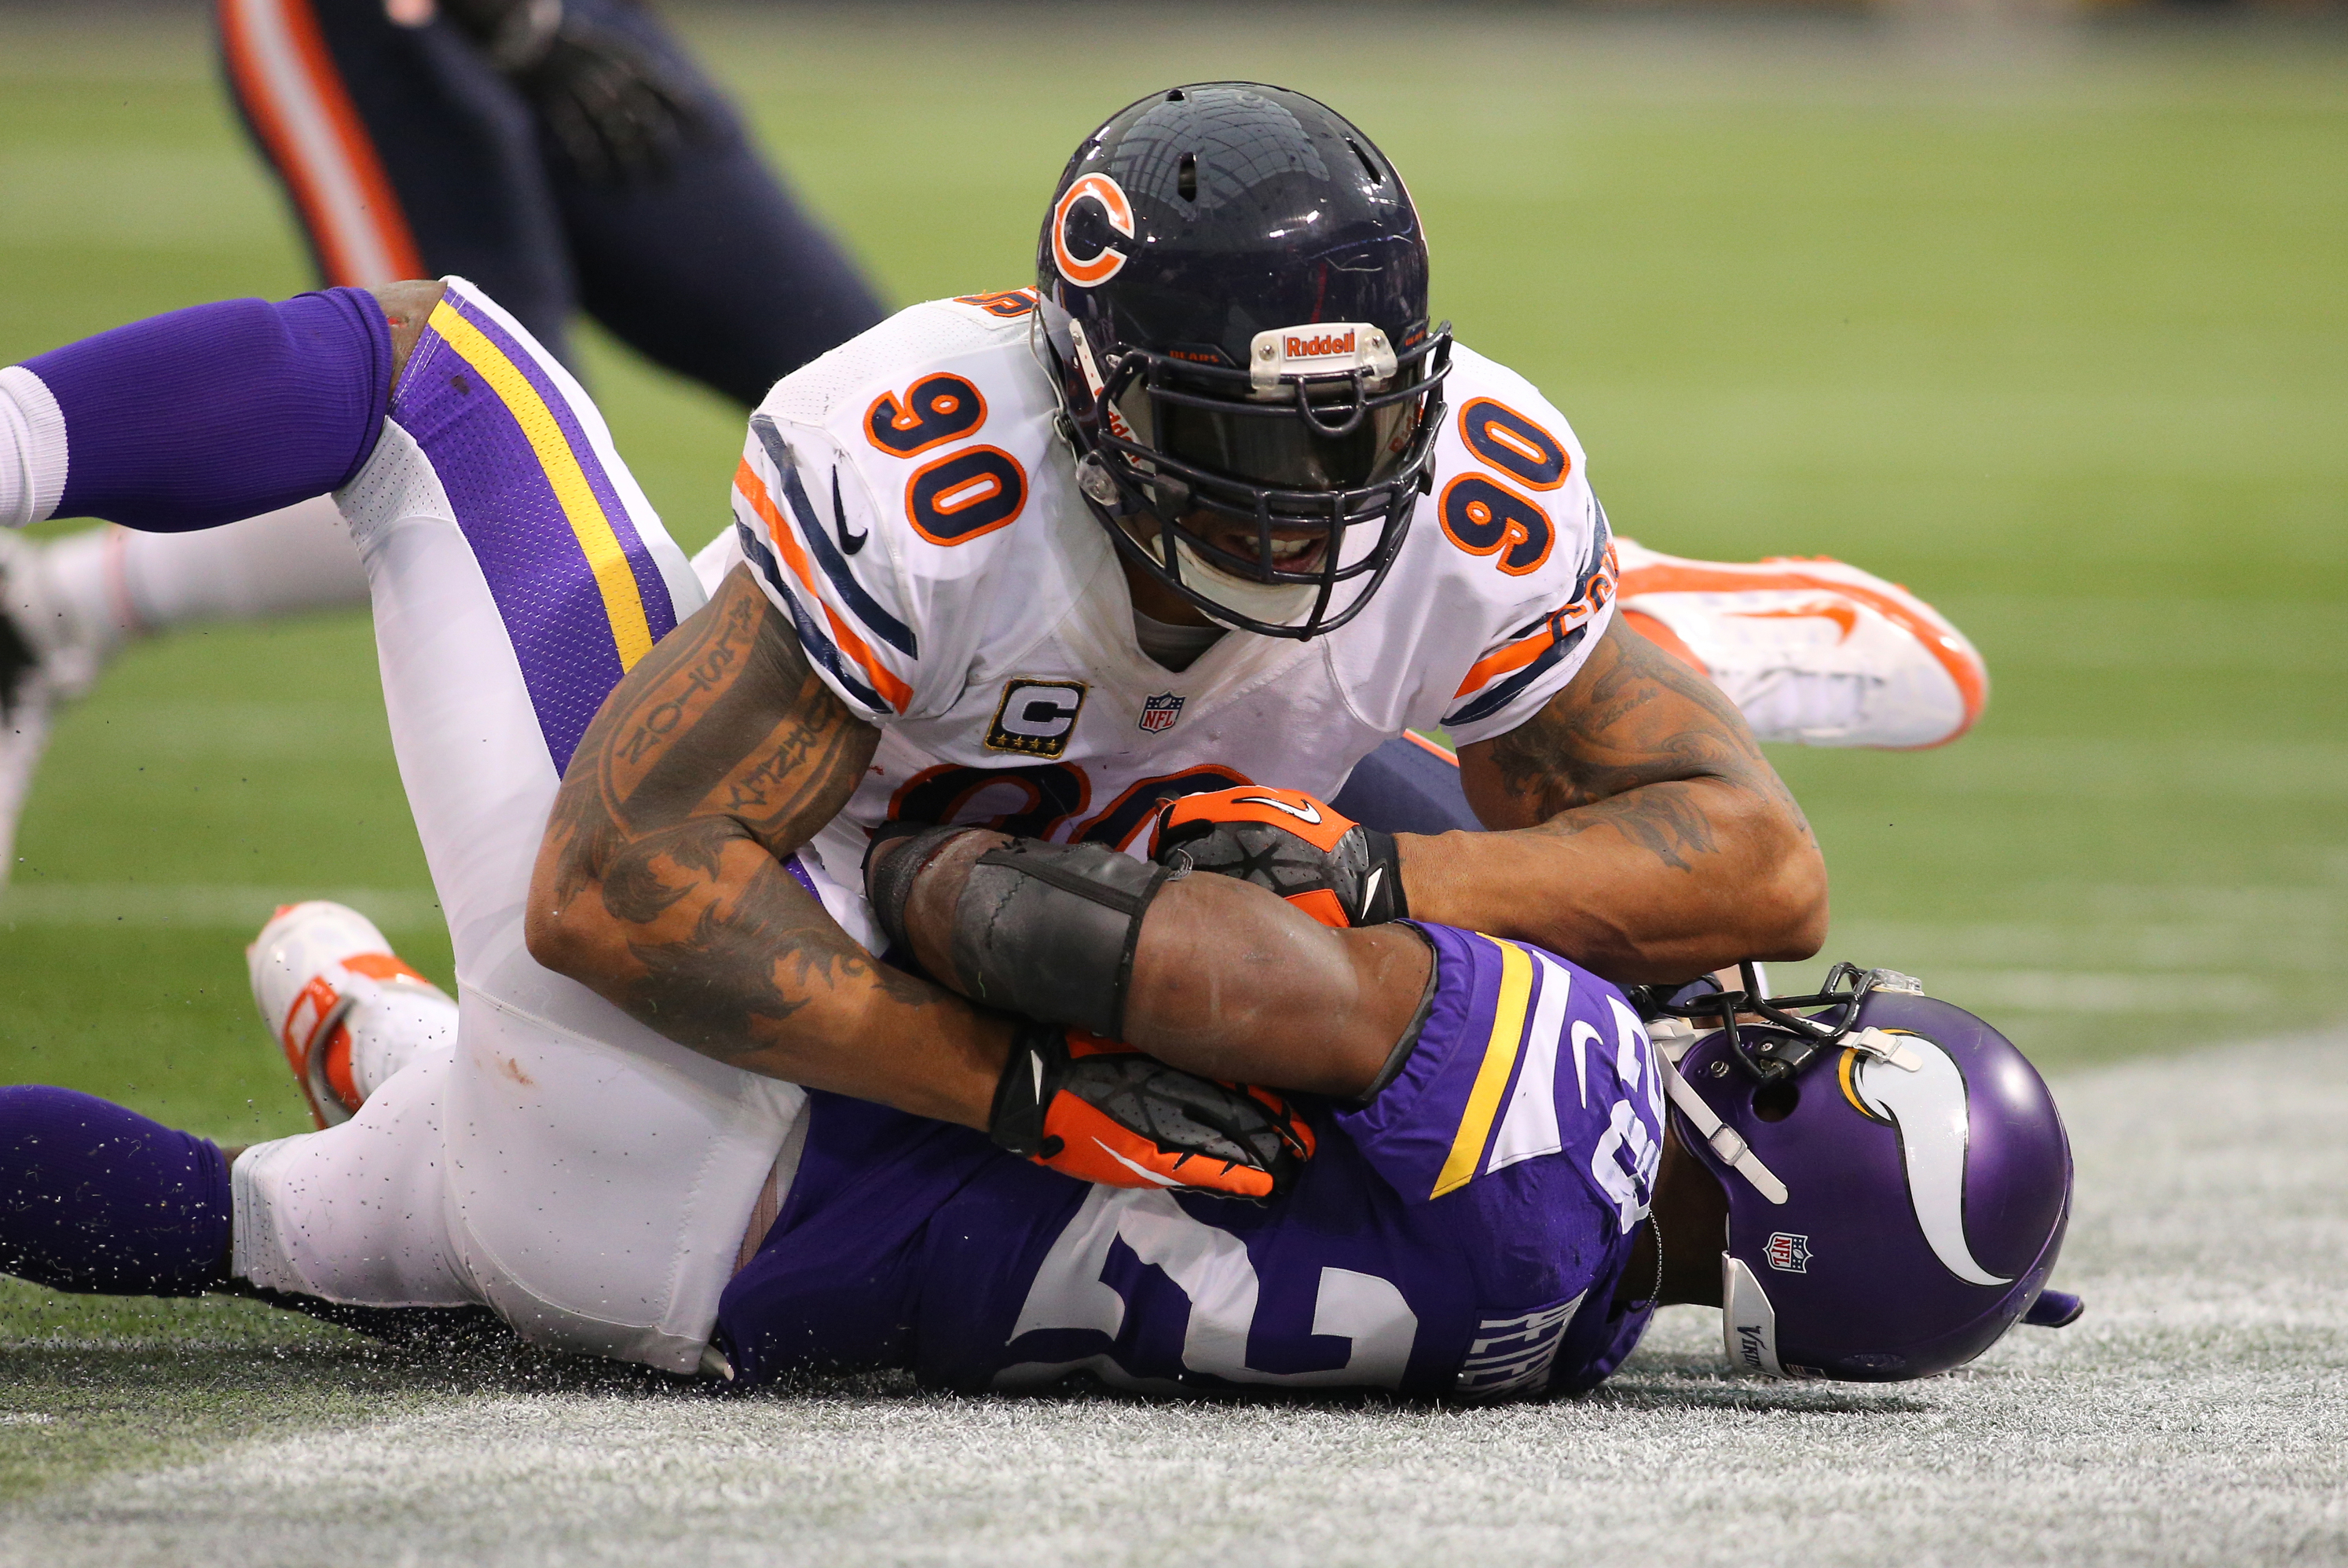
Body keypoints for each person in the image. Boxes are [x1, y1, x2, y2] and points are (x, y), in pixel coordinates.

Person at [0, 85, 2027, 1388]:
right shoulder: (965, 467)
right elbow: (646, 889)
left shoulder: (1386, 507)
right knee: (319, 1214)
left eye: (1345, 443)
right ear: (1099, 400)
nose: (1306, 507)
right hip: (777, 1098)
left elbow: (635, 895)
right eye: (1251, 450)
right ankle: (385, 1035)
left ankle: (41, 476)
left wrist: (1030, 1066)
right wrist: (1351, 892)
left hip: (793, 1010)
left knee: (428, 367)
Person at [0, 0, 891, 885]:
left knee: (869, 398)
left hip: (566, 16)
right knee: (461, 426)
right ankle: (55, 605)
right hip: (383, 20)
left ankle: (54, 605)